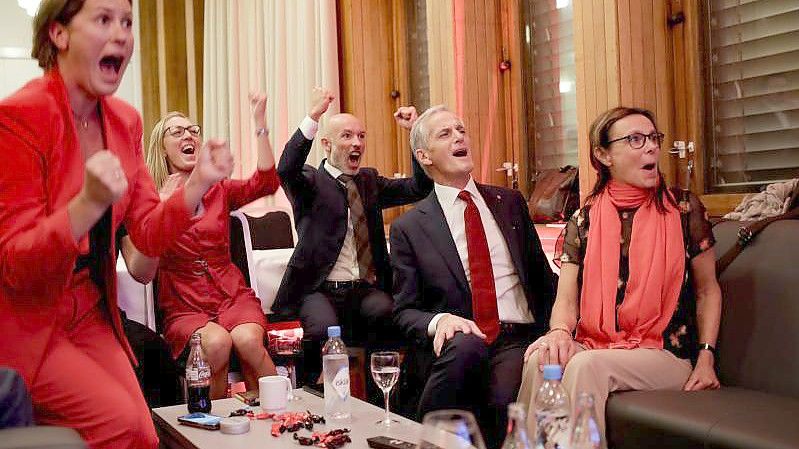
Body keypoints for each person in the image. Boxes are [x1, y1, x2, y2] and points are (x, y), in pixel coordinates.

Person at [0, 1, 233, 448]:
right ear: (59, 34)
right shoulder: (20, 118)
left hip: (90, 308)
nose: (122, 34)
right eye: (104, 20)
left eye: (127, 22)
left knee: (144, 433)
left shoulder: (125, 121)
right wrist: (86, 206)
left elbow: (145, 231)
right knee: (121, 426)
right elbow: (15, 264)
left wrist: (196, 185)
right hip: (31, 319)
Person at [516, 107, 722, 448]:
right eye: (636, 140)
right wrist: (558, 334)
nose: (651, 148)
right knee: (543, 359)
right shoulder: (585, 219)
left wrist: (707, 357)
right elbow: (566, 299)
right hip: (599, 342)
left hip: (665, 353)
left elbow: (707, 292)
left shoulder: (684, 209)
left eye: (654, 138)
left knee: (586, 366)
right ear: (603, 154)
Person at [390, 105, 556, 448]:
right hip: (461, 341)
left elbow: (543, 278)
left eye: (461, 130)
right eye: (445, 134)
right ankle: (423, 440)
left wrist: (564, 327)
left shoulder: (509, 203)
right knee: (465, 347)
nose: (460, 137)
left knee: (499, 399)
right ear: (424, 156)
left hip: (516, 335)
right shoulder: (410, 227)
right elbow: (404, 312)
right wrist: (439, 321)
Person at [274, 89, 433, 389]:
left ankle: (382, 398)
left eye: (361, 136)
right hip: (318, 289)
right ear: (326, 144)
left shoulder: (369, 181)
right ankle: (310, 392)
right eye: (347, 136)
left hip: (363, 289)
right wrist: (313, 116)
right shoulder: (309, 182)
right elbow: (286, 168)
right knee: (322, 328)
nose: (356, 143)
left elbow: (418, 188)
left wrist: (416, 132)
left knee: (387, 313)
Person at [139, 93, 280, 399]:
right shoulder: (152, 197)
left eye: (193, 130)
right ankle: (207, 431)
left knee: (247, 340)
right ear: (161, 148)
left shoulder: (219, 190)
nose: (188, 135)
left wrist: (259, 122)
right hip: (183, 301)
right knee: (215, 343)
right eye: (176, 132)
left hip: (231, 294)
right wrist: (162, 206)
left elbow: (267, 183)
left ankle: (282, 420)